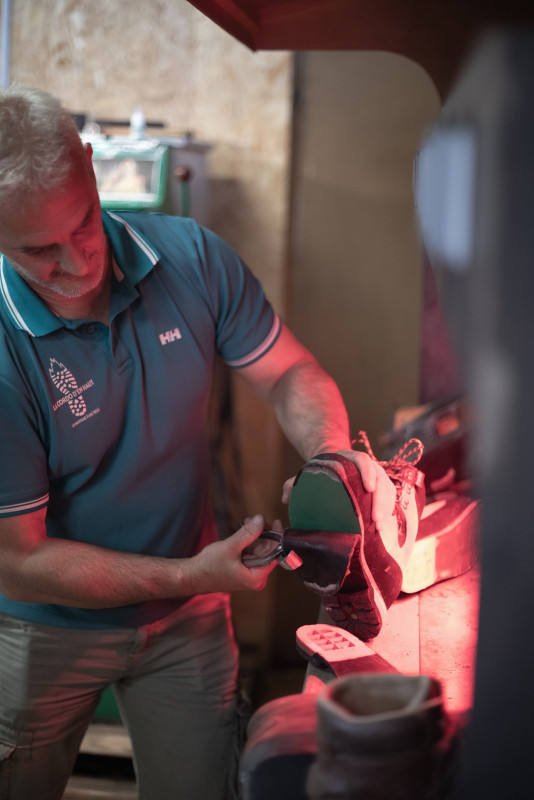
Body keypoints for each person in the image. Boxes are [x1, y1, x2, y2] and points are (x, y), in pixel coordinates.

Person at [0, 85, 397, 800]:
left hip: (189, 624)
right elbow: (18, 561)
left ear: (92, 167)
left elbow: (290, 374)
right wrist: (191, 575)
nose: (76, 261)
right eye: (38, 249)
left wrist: (331, 459)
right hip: (38, 632)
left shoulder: (189, 258)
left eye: (84, 223)